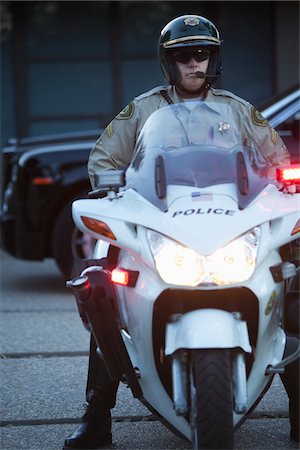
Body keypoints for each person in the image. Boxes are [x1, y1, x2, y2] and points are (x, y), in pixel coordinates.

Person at [63, 14, 298, 449]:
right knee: (103, 291)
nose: (195, 64)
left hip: (231, 219)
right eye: (184, 57)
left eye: (203, 55)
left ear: (214, 59)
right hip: (161, 219)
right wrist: (114, 189)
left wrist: (281, 185)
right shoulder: (143, 109)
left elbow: (274, 162)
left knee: (291, 283)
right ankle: (96, 418)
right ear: (168, 63)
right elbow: (103, 159)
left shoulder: (240, 111)